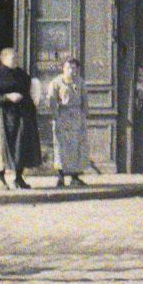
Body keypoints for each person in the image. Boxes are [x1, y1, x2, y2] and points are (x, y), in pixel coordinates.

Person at [0, 47, 42, 190]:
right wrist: (8, 97)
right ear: (4, 59)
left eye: (17, 57)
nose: (16, 60)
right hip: (5, 114)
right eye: (13, 58)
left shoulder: (22, 74)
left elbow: (29, 91)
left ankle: (18, 178)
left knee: (21, 146)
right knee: (2, 145)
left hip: (22, 114)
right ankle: (1, 179)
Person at [42, 57, 90, 188]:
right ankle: (61, 177)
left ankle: (75, 177)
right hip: (62, 117)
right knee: (61, 147)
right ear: (63, 68)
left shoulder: (80, 82)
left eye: (74, 68)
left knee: (77, 147)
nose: (71, 70)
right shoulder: (56, 82)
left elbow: (84, 100)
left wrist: (84, 115)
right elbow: (51, 101)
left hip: (77, 118)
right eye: (68, 67)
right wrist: (56, 116)